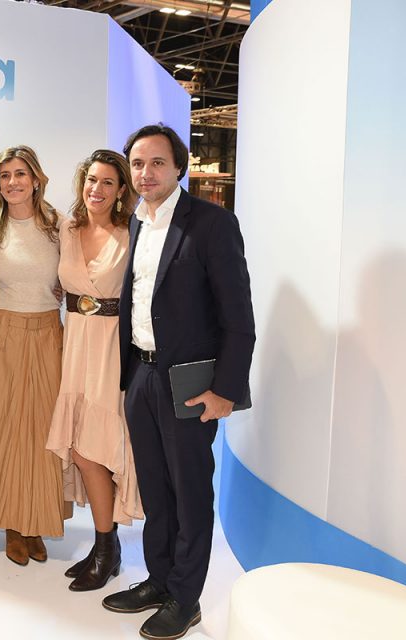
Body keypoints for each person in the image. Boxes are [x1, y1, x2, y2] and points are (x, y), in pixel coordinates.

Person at [102, 124, 254, 640]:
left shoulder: (212, 223)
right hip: (141, 375)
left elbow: (239, 317)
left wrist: (226, 391)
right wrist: (130, 375)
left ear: (179, 168)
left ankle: (185, 600)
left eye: (157, 163)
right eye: (137, 164)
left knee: (189, 493)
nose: (145, 173)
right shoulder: (137, 220)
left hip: (189, 383)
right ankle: (160, 579)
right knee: (155, 489)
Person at [0, 145, 69, 565]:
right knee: (2, 429)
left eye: (20, 173)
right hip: (2, 334)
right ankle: (10, 524)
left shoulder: (59, 225)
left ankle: (36, 521)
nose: (13, 182)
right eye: (5, 176)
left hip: (47, 334)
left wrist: (64, 289)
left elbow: (76, 273)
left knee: (43, 433)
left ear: (36, 179)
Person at [46, 150, 143, 592]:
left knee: (95, 451)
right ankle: (107, 545)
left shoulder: (132, 233)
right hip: (75, 345)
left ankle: (106, 549)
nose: (96, 189)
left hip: (111, 350)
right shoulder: (67, 229)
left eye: (107, 182)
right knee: (83, 448)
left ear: (121, 190)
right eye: (91, 180)